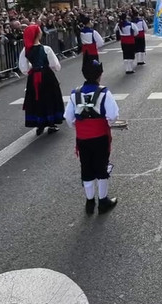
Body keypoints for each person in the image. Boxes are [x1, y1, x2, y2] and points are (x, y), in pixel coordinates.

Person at [64, 60, 120, 215]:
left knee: (86, 167)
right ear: (99, 75)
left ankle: (89, 202)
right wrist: (108, 122)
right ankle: (103, 201)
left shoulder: (75, 93)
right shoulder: (104, 93)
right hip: (100, 136)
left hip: (82, 138)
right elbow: (113, 114)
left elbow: (68, 117)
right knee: (101, 166)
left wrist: (78, 126)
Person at [18, 25, 64, 136]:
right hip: (46, 75)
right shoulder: (46, 49)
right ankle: (51, 123)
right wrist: (51, 68)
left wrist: (32, 68)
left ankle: (39, 123)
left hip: (34, 76)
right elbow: (56, 65)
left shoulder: (26, 50)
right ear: (38, 34)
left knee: (36, 98)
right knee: (49, 97)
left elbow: (23, 68)